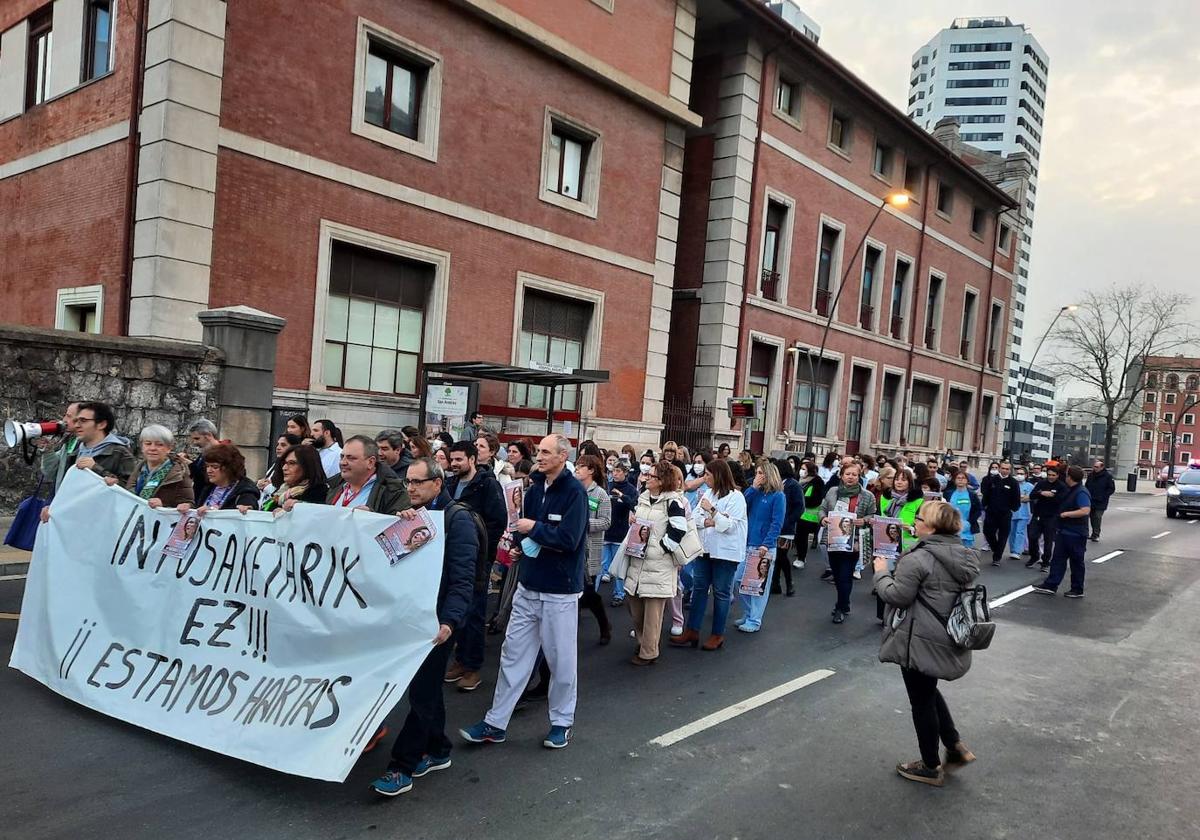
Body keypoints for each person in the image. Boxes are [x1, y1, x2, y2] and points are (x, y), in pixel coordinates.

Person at [460, 434, 587, 750]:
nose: (540, 456)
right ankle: (495, 722)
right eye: (539, 452)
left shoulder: (575, 493)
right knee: (512, 654)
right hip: (528, 586)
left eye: (546, 452)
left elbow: (570, 539)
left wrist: (535, 530)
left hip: (560, 591)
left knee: (561, 660)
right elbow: (520, 529)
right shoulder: (532, 491)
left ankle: (561, 722)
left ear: (562, 455)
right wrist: (519, 548)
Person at [369, 457, 478, 797]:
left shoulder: (457, 520)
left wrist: (449, 622)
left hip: (439, 621)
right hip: (412, 616)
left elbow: (464, 578)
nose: (410, 488)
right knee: (425, 687)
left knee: (422, 691)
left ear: (437, 483)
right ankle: (439, 749)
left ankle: (402, 766)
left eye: (417, 482)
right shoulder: (411, 515)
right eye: (408, 482)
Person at [873, 499, 980, 786]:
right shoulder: (964, 554)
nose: (914, 521)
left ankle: (930, 766)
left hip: (919, 636)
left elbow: (896, 595)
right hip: (946, 634)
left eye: (919, 518)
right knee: (928, 690)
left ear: (931, 526)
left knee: (920, 700)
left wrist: (881, 572)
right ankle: (954, 745)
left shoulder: (918, 558)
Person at [443, 441, 508, 692]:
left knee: (474, 612)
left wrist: (482, 551)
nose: (454, 464)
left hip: (477, 559)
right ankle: (460, 660)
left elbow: (498, 520)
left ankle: (472, 667)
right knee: (456, 608)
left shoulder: (487, 485)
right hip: (451, 555)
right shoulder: (449, 484)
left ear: (472, 459)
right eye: (452, 459)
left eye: (459, 459)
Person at [673, 458, 747, 651]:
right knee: (699, 589)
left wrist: (712, 512)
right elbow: (695, 519)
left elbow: (728, 526)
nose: (704, 478)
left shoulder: (736, 497)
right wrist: (711, 519)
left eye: (708, 475)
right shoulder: (708, 493)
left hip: (725, 553)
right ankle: (692, 630)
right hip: (706, 549)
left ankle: (717, 634)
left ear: (719, 475)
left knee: (721, 593)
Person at [620, 460, 687, 663]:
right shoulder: (643, 498)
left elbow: (679, 529)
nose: (647, 478)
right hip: (638, 560)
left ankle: (648, 652)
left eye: (652, 476)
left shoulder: (672, 502)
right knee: (635, 607)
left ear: (662, 480)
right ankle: (643, 642)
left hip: (658, 565)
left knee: (653, 614)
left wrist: (662, 547)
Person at [820, 460, 878, 624]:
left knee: (846, 575)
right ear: (841, 475)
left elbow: (873, 516)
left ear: (859, 476)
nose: (851, 477)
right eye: (848, 474)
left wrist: (864, 520)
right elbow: (823, 508)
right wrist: (823, 519)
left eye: (854, 474)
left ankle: (841, 606)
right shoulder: (833, 491)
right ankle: (844, 603)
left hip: (854, 542)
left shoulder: (867, 496)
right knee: (838, 575)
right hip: (833, 540)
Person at [734, 461, 786, 633]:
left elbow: (776, 522)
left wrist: (767, 542)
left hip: (763, 546)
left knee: (757, 586)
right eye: (756, 473)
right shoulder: (754, 493)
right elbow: (742, 505)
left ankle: (754, 619)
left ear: (769, 475)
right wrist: (753, 488)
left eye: (760, 473)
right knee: (738, 581)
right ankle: (748, 613)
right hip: (746, 543)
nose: (757, 476)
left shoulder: (778, 496)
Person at [1033, 465, 1092, 598]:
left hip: (1076, 533)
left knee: (1076, 562)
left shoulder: (1081, 492)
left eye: (1066, 475)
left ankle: (1077, 589)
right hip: (1064, 531)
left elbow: (1085, 510)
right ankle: (1051, 585)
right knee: (1057, 559)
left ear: (1069, 477)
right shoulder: (1071, 490)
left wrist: (1066, 514)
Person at [573, 454, 613, 644]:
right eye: (577, 466)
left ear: (591, 470)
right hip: (573, 548)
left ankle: (604, 625)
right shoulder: (573, 490)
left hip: (590, 550)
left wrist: (582, 523)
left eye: (581, 467)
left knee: (588, 593)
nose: (577, 469)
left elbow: (606, 522)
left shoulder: (600, 494)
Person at [107, 425, 194, 508]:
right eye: (148, 444)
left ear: (169, 448)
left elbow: (189, 505)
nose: (152, 448)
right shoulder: (139, 469)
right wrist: (114, 485)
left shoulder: (179, 473)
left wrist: (163, 504)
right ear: (142, 447)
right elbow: (129, 495)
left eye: (159, 445)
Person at [325, 435, 410, 514]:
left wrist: (372, 518)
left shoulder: (393, 491)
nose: (343, 462)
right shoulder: (334, 486)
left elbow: (397, 526)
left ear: (370, 462)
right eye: (342, 457)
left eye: (351, 458)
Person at [601, 461, 638, 606]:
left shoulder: (630, 489)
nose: (614, 474)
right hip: (606, 531)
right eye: (613, 471)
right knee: (601, 566)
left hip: (621, 532)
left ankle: (619, 594)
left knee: (619, 567)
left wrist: (622, 496)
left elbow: (634, 505)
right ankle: (592, 594)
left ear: (625, 473)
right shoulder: (607, 487)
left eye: (618, 471)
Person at [191, 442, 259, 512]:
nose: (209, 470)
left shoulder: (246, 492)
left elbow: (246, 511)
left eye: (215, 467)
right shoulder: (207, 488)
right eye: (207, 466)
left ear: (229, 467)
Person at [770, 459, 803, 597]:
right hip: (773, 525)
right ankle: (775, 583)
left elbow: (799, 506)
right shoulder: (773, 485)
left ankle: (789, 583)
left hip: (786, 528)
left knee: (782, 556)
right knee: (775, 556)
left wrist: (789, 521)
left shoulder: (793, 485)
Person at [264, 443, 329, 512]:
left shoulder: (318, 493)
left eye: (292, 463)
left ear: (307, 467)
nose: (284, 468)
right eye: (284, 463)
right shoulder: (281, 491)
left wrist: (294, 509)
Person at [979, 461, 1021, 567]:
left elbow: (1016, 498)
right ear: (999, 468)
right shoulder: (992, 480)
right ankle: (995, 548)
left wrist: (1012, 509)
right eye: (1003, 468)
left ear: (1010, 470)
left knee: (1003, 536)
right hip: (991, 512)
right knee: (987, 532)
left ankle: (997, 558)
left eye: (1007, 469)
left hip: (1005, 514)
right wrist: (985, 506)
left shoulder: (1013, 482)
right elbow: (986, 495)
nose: (1005, 470)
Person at [1025, 465, 1066, 571]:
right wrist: (1041, 493)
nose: (1051, 477)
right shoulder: (1042, 483)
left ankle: (1045, 562)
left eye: (1053, 475)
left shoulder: (1061, 486)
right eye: (1049, 475)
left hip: (1052, 516)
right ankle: (1034, 556)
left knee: (1048, 540)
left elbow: (1062, 499)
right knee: (1032, 536)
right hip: (1038, 514)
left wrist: (1053, 496)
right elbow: (1032, 495)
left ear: (1057, 475)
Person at [37, 401, 82, 492]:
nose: (64, 420)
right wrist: (48, 451)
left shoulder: (86, 444)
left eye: (68, 416)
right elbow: (51, 472)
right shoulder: (70, 440)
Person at [792, 461, 823, 570]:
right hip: (799, 513)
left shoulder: (817, 481)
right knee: (798, 537)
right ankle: (800, 555)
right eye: (801, 468)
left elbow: (816, 500)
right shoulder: (800, 481)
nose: (801, 471)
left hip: (809, 515)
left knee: (802, 537)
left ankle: (801, 558)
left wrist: (800, 500)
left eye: (804, 469)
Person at [944, 470, 981, 548]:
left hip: (967, 529)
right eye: (958, 478)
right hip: (951, 528)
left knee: (966, 554)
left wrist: (970, 522)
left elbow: (978, 509)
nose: (960, 479)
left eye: (963, 478)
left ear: (967, 481)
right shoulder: (948, 493)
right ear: (954, 480)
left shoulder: (972, 495)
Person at [1084, 459, 1116, 542]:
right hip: (1091, 500)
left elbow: (1111, 488)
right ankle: (1091, 534)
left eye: (1097, 467)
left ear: (1102, 467)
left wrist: (1104, 496)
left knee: (1097, 517)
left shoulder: (1108, 476)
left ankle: (1096, 534)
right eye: (1094, 467)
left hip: (1101, 501)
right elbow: (1087, 485)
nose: (1095, 468)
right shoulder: (1091, 475)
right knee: (1091, 517)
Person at [1008, 466, 1033, 559]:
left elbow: (1029, 498)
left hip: (1024, 513)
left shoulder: (1030, 486)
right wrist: (1021, 498)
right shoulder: (1012, 484)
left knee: (1020, 532)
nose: (1019, 475)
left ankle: (1017, 551)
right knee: (1011, 532)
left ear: (1026, 475)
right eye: (1018, 473)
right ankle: (1012, 549)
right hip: (1012, 512)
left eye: (1022, 474)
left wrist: (1019, 498)